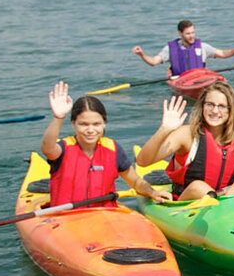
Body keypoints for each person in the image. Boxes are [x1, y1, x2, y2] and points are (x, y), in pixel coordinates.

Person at [139, 81, 234, 200]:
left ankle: (221, 201)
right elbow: (143, 161)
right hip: (189, 201)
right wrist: (164, 129)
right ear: (202, 106)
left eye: (222, 106)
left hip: (224, 199)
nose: (215, 111)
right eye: (210, 105)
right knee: (199, 187)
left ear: (230, 111)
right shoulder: (187, 134)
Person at [40, 82, 172, 205]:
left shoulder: (113, 150)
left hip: (104, 215)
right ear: (74, 124)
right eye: (83, 124)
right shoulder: (63, 149)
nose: (90, 130)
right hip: (66, 218)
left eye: (96, 124)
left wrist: (152, 192)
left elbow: (136, 182)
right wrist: (58, 117)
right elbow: (47, 148)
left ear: (104, 123)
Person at [132, 20, 234, 77]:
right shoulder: (170, 49)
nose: (192, 36)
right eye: (188, 33)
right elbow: (153, 62)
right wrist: (141, 54)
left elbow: (223, 53)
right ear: (180, 33)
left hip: (200, 80)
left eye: (193, 32)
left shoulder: (202, 47)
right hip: (180, 80)